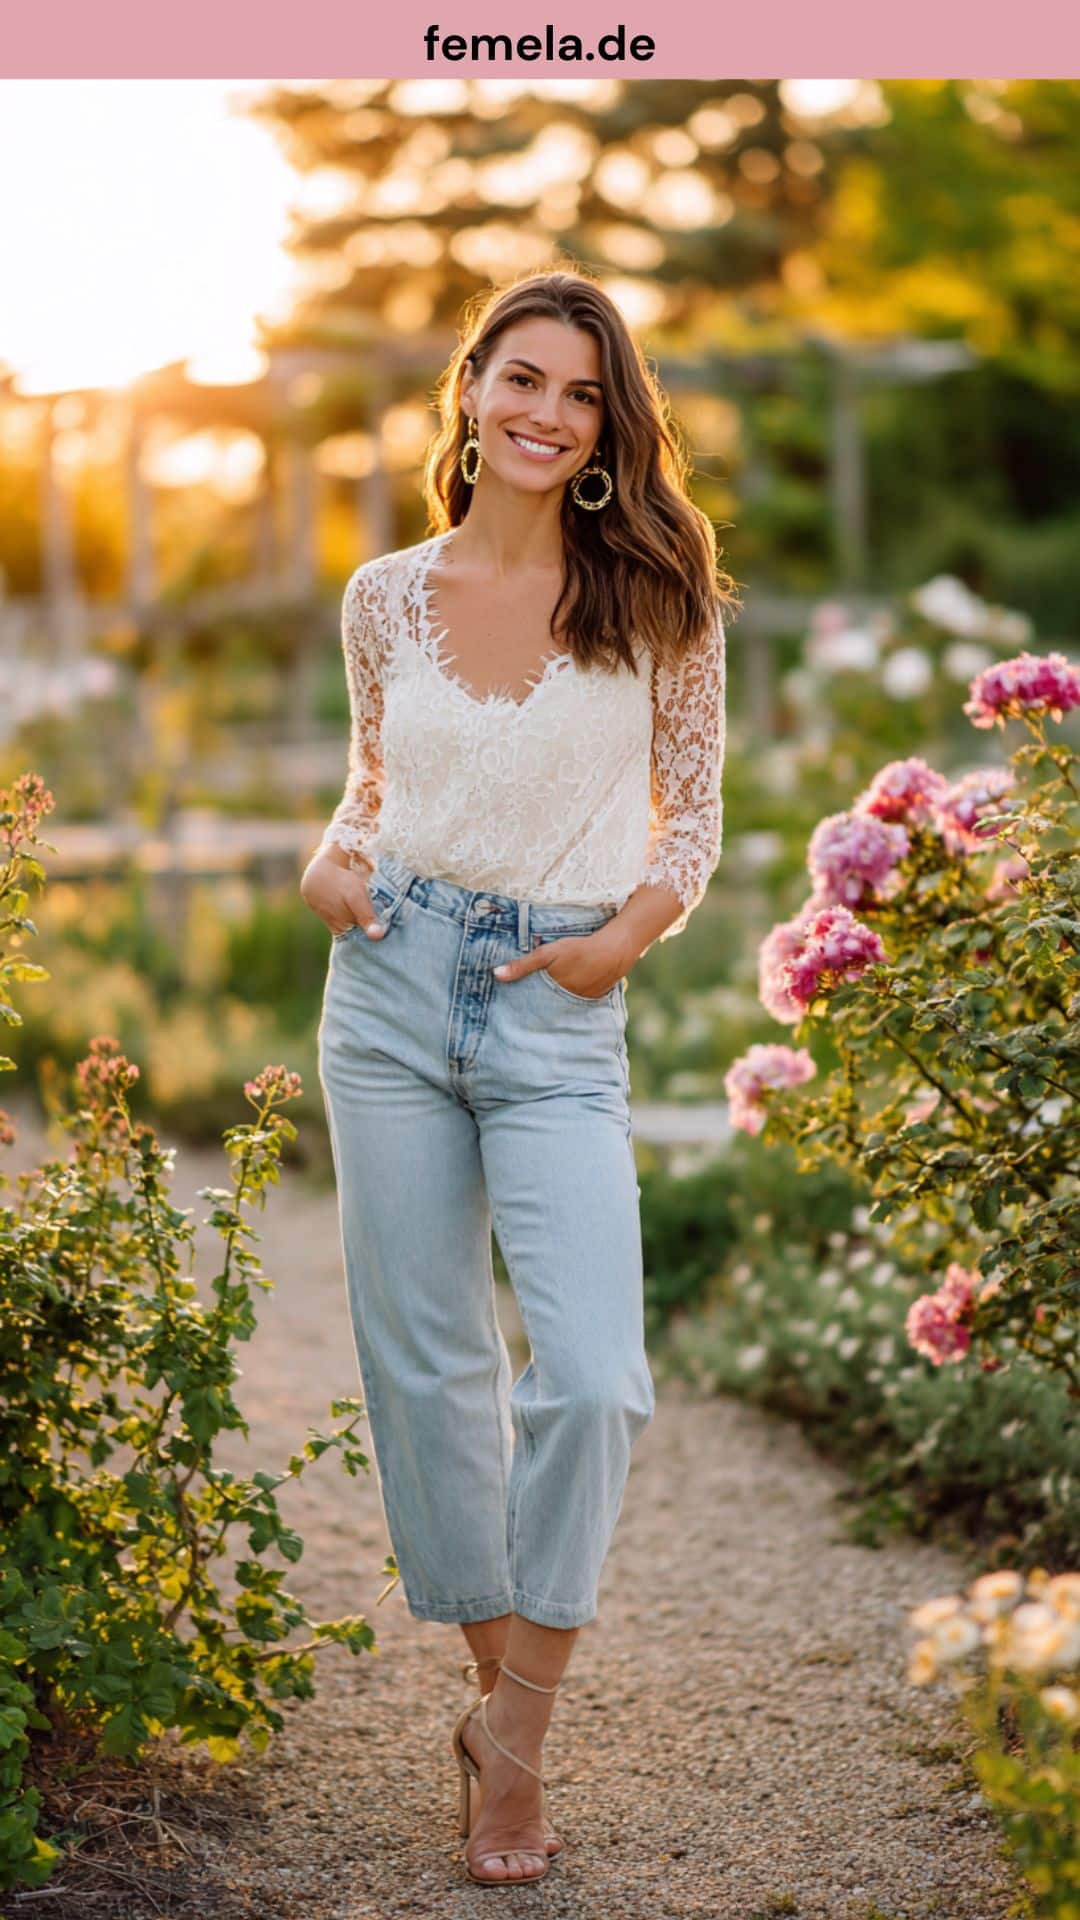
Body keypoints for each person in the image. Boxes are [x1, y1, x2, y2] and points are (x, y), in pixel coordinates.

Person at [300, 264, 734, 1886]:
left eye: (581, 392)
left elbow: (685, 826)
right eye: (522, 381)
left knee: (596, 1377)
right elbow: (372, 780)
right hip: (389, 990)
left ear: (613, 424)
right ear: (469, 392)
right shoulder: (384, 598)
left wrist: (619, 941)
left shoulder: (658, 595)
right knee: (428, 1373)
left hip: (561, 1006)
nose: (548, 415)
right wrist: (326, 863)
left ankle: (514, 1733)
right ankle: (511, 1738)